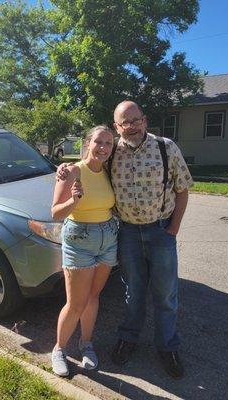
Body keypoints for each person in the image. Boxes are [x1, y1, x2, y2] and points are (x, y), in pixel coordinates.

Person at [57, 100, 193, 379]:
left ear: (145, 120)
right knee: (133, 291)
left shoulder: (167, 148)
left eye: (136, 120)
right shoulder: (111, 151)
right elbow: (89, 164)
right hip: (126, 232)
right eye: (124, 123)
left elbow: (183, 190)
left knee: (165, 293)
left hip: (161, 231)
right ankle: (128, 339)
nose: (131, 127)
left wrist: (173, 229)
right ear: (117, 126)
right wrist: (63, 168)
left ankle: (167, 347)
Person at [50, 125, 118, 377]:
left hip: (108, 237)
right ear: (87, 143)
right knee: (76, 303)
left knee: (93, 296)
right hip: (80, 238)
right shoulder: (73, 171)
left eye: (109, 143)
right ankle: (59, 349)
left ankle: (86, 344)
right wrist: (74, 201)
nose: (103, 147)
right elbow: (56, 213)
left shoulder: (110, 170)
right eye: (99, 142)